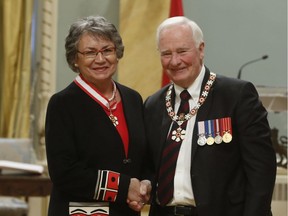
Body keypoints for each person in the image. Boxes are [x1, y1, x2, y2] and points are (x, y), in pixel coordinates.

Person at [144, 16, 276, 216]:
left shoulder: (236, 96)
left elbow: (261, 170)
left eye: (182, 51)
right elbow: (149, 167)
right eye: (166, 53)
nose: (174, 61)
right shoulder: (153, 104)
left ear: (201, 49)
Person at [45, 15, 150, 216]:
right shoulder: (62, 104)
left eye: (107, 50)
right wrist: (124, 187)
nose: (100, 59)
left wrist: (144, 186)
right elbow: (64, 173)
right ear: (75, 59)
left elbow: (142, 157)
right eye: (90, 53)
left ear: (117, 53)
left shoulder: (132, 98)